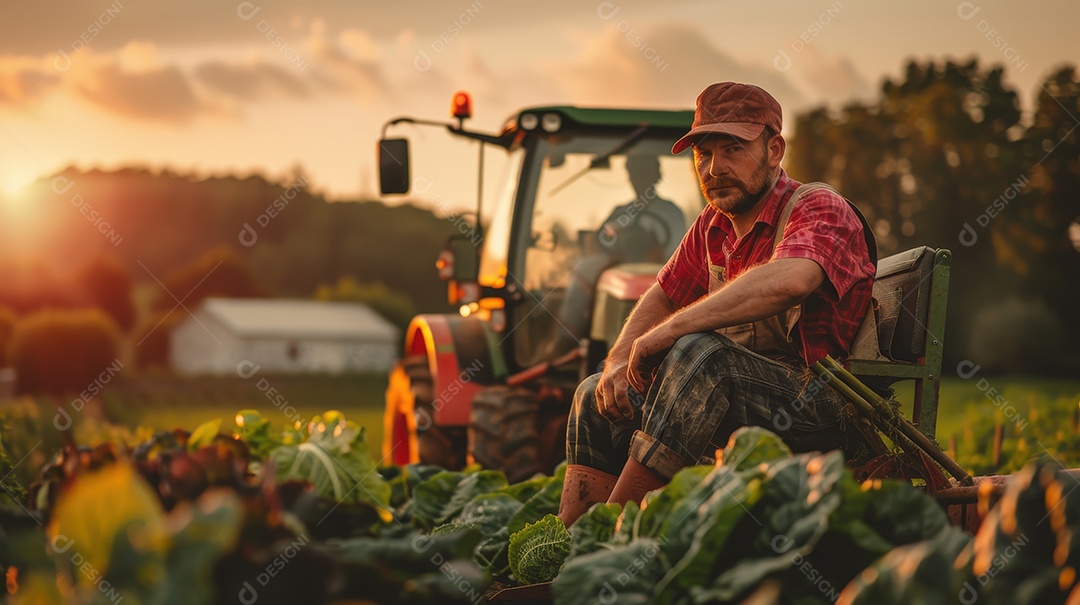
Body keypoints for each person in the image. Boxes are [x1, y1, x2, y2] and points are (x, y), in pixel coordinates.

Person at [557, 82, 876, 526]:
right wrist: (617, 359)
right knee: (596, 392)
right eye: (703, 154)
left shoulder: (818, 206)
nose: (714, 167)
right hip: (738, 395)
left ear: (774, 149)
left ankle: (613, 544)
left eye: (732, 149)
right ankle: (570, 546)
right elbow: (664, 292)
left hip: (821, 408)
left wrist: (671, 330)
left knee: (701, 354)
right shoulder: (712, 226)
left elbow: (794, 277)